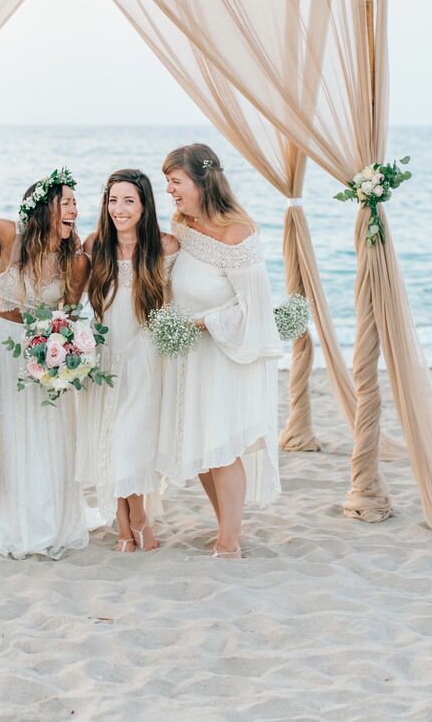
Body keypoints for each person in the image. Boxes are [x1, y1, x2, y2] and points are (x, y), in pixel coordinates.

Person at [159, 144, 281, 558]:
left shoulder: (237, 232)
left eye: (176, 182)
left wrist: (202, 323)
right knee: (202, 449)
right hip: (189, 356)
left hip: (224, 355)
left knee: (223, 447)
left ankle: (230, 539)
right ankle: (224, 528)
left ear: (201, 180)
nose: (170, 191)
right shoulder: (181, 222)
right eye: (168, 183)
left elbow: (255, 311)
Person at [0, 168, 92, 558]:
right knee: (6, 429)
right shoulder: (10, 236)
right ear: (42, 208)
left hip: (46, 350)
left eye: (75, 203)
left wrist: (63, 352)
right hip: (4, 344)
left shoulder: (75, 260)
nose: (73, 208)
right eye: (65, 202)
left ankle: (47, 519)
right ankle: (7, 516)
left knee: (46, 433)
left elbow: (70, 314)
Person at [76, 169, 179, 552]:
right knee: (110, 440)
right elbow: (68, 293)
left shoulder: (165, 247)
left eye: (128, 201)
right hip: (103, 354)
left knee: (130, 441)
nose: (119, 209)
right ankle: (126, 527)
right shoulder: (93, 244)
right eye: (113, 200)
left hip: (145, 354)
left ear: (144, 205)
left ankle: (135, 520)